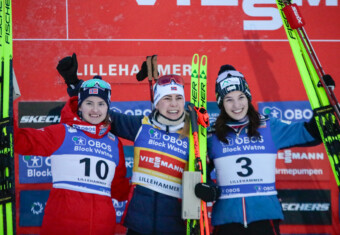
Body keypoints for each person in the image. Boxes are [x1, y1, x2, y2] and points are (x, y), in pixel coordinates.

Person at [57, 53, 191, 234]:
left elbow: (207, 174)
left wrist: (208, 190)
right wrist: (75, 85)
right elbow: (99, 112)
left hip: (175, 227)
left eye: (178, 98)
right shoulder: (141, 126)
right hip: (138, 225)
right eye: (167, 99)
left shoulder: (195, 135)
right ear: (157, 103)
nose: (173, 104)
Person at [194, 64, 324, 235]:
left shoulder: (269, 127)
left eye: (241, 97)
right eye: (229, 99)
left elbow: (310, 133)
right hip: (227, 220)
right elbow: (201, 174)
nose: (236, 105)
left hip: (264, 219)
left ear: (248, 97)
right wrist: (208, 189)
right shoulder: (211, 136)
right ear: (221, 103)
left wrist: (323, 100)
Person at [14, 77, 129, 235]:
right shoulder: (62, 133)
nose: (95, 110)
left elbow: (120, 189)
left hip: (103, 228)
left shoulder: (114, 143)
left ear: (108, 107)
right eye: (89, 103)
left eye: (101, 104)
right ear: (80, 106)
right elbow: (22, 141)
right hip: (62, 227)